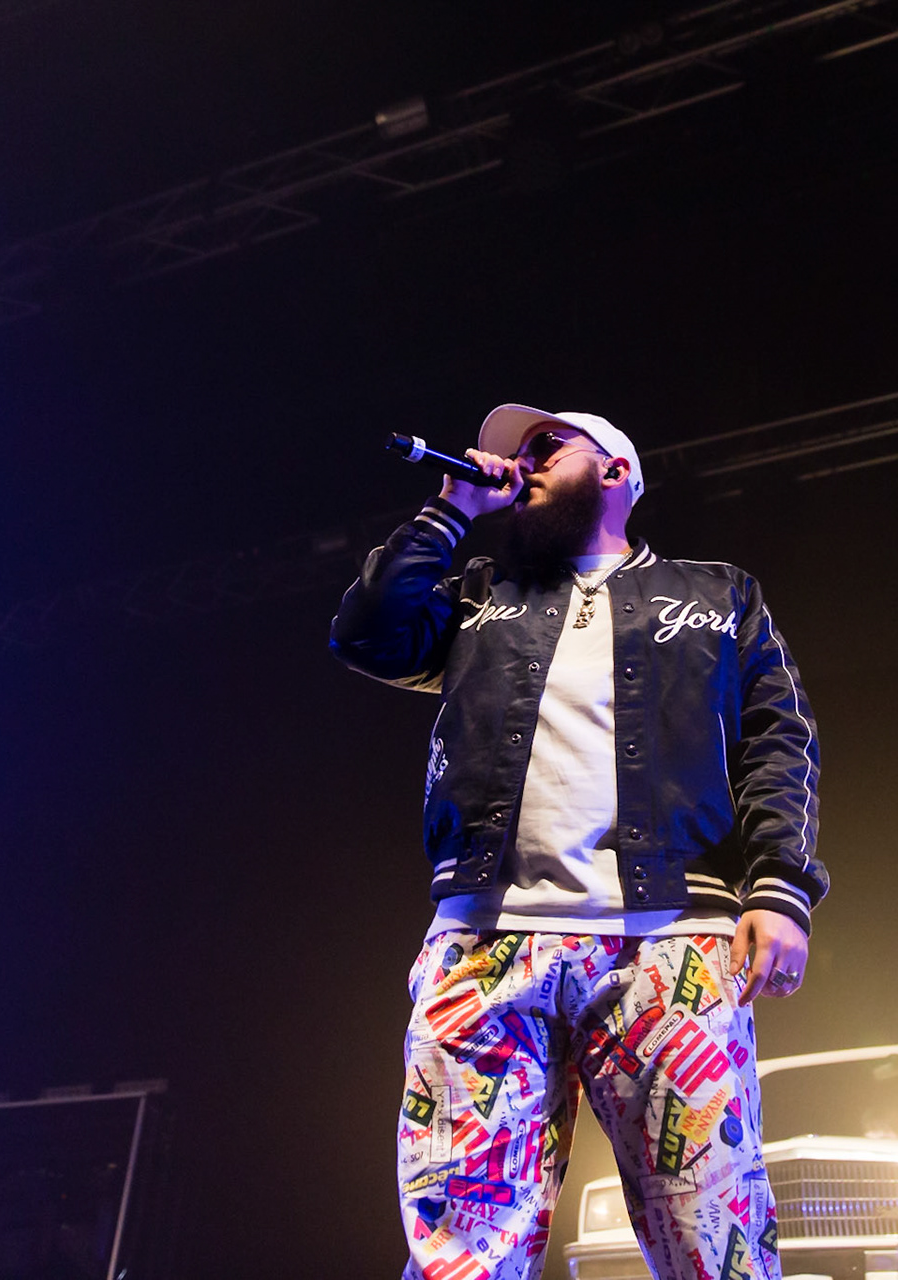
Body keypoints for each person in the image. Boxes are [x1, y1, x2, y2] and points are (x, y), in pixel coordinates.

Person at [330, 405, 825, 1280]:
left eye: (547, 447)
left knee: (715, 1240)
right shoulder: (481, 596)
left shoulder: (717, 595)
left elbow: (778, 743)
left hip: (670, 949)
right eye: (515, 453)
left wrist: (779, 888)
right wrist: (450, 510)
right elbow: (366, 634)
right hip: (482, 948)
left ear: (618, 472)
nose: (522, 462)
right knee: (461, 1247)